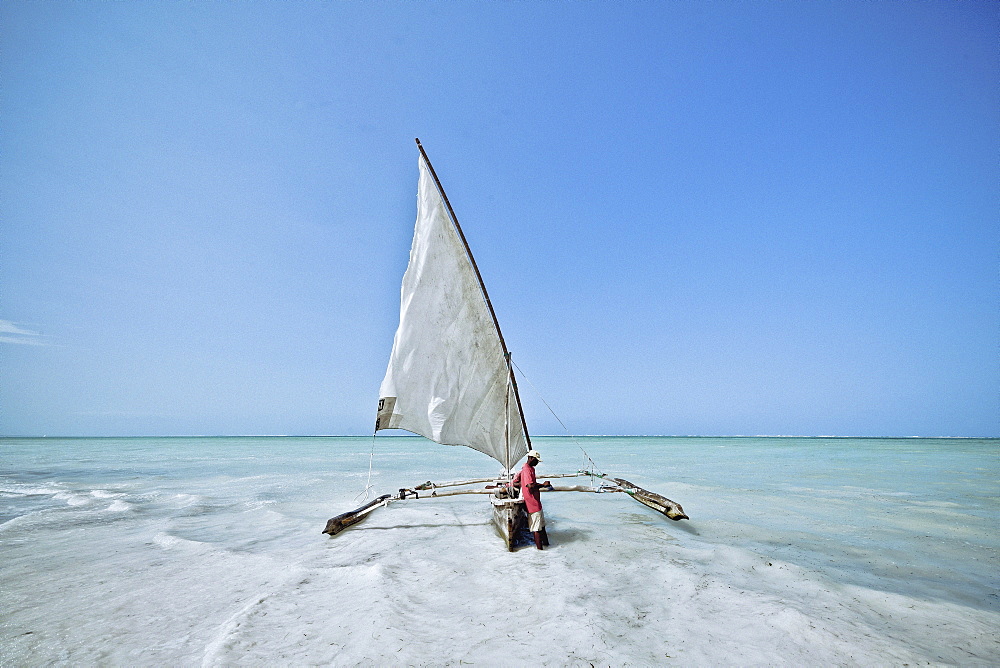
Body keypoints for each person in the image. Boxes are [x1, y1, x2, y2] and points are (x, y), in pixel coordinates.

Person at [516, 449, 550, 550]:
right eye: (536, 460)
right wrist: (543, 485)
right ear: (531, 458)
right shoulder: (526, 469)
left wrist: (541, 485)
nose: (537, 463)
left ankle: (547, 546)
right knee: (537, 529)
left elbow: (531, 484)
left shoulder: (531, 468)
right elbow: (530, 486)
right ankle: (540, 552)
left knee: (542, 526)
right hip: (532, 504)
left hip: (536, 503)